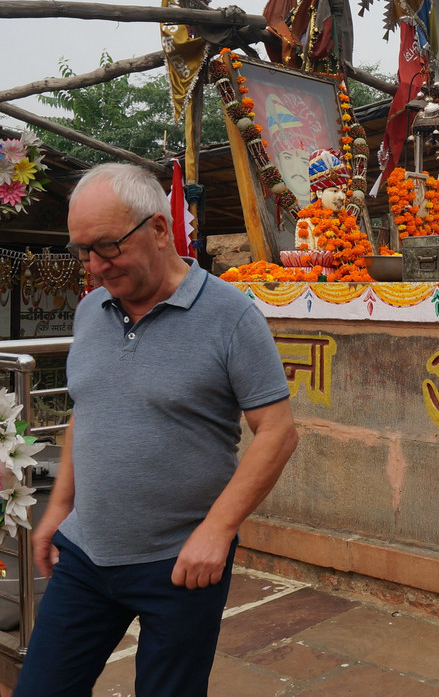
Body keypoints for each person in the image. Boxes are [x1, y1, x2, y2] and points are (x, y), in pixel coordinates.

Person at [15, 163, 299, 697]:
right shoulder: (90, 311)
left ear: (160, 230)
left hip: (181, 562)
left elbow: (278, 432)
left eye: (107, 247)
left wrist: (217, 531)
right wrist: (59, 507)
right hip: (84, 555)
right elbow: (87, 409)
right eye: (82, 251)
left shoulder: (231, 317)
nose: (95, 266)